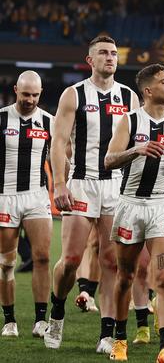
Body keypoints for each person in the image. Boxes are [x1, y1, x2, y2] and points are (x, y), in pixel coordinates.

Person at [45, 35, 140, 353]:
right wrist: (59, 183)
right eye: (103, 53)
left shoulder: (129, 97)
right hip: (82, 183)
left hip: (116, 188)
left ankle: (106, 335)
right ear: (90, 60)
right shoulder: (73, 95)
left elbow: (137, 147)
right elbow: (58, 142)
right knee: (71, 260)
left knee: (112, 262)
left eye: (114, 53)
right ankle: (56, 313)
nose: (110, 57)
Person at [104, 63, 164, 362]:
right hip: (131, 207)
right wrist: (137, 150)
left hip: (163, 209)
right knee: (125, 275)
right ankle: (120, 340)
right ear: (148, 90)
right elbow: (109, 160)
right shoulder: (129, 122)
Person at [0, 71, 53, 338]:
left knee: (42, 256)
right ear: (15, 90)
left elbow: (60, 157)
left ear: (40, 93)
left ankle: (40, 320)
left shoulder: (49, 122)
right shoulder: (1, 117)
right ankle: (9, 320)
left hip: (36, 196)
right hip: (5, 196)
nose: (30, 100)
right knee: (7, 263)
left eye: (35, 95)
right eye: (25, 94)